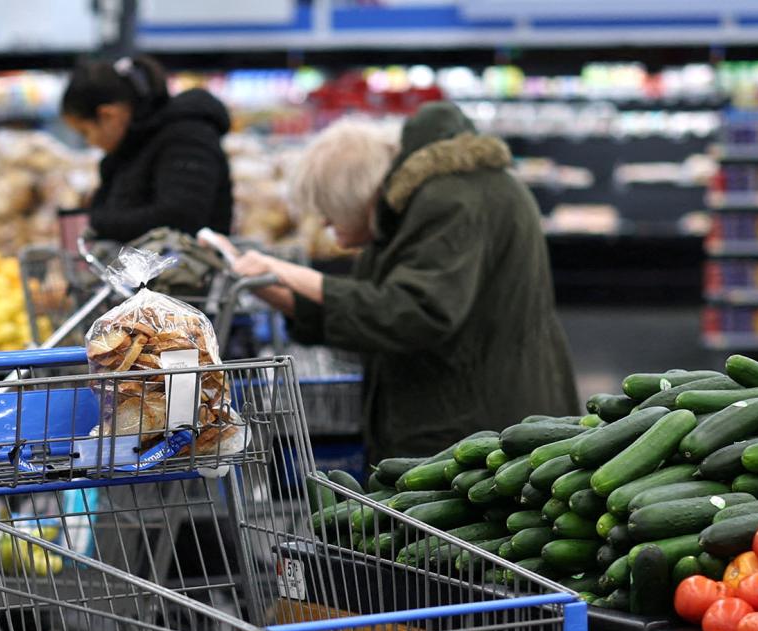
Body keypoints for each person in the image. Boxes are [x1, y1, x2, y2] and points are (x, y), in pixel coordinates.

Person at [230, 104, 577, 461]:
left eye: (328, 210)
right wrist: (277, 292)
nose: (324, 223)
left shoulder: (450, 199)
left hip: (479, 431)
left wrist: (293, 274)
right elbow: (375, 313)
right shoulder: (421, 204)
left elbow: (417, 312)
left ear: (352, 195)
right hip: (476, 418)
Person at [60, 55, 233, 244]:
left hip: (187, 270)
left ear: (108, 115)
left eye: (85, 132)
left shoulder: (187, 137)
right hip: (139, 270)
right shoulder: (127, 149)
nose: (90, 142)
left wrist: (94, 223)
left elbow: (180, 219)